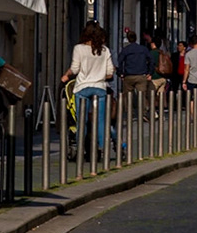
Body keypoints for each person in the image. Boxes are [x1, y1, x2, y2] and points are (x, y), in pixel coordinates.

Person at [62, 22, 116, 157]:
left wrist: (66, 75)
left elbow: (75, 69)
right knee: (101, 121)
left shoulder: (78, 49)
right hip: (100, 88)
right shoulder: (104, 50)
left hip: (82, 88)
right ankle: (103, 149)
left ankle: (81, 148)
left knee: (82, 121)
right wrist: (99, 74)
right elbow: (110, 72)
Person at [116, 29, 154, 111]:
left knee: (128, 95)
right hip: (141, 75)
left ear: (128, 39)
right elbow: (151, 60)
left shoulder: (126, 50)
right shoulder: (143, 49)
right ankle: (143, 112)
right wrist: (150, 73)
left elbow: (119, 61)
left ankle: (129, 112)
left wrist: (120, 73)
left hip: (129, 75)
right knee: (142, 95)